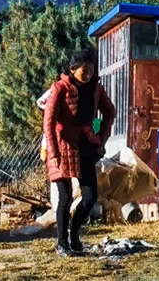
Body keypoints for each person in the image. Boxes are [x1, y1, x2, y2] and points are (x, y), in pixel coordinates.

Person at [42, 47, 116, 256]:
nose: (88, 74)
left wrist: (101, 138)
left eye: (91, 69)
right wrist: (53, 151)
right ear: (73, 70)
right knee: (64, 197)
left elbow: (110, 112)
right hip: (62, 144)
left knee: (90, 196)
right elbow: (48, 122)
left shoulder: (96, 89)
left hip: (85, 144)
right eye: (84, 70)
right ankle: (62, 242)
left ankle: (74, 233)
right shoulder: (60, 89)